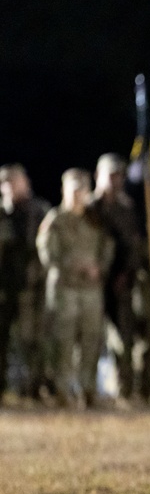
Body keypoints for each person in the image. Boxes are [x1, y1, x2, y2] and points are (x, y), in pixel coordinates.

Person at [36, 169, 115, 408]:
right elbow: (48, 255)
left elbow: (108, 248)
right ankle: (62, 390)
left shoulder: (96, 220)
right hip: (65, 289)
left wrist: (99, 268)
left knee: (92, 340)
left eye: (83, 190)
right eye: (74, 190)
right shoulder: (55, 220)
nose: (79, 195)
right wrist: (74, 266)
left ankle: (88, 389)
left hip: (91, 290)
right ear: (65, 191)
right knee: (64, 340)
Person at [92, 153, 143, 403]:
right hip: (91, 283)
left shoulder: (127, 210)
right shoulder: (89, 208)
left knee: (123, 340)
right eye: (110, 175)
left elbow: (134, 247)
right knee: (88, 338)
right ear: (98, 176)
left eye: (119, 176)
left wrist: (128, 273)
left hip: (120, 283)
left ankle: (125, 390)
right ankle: (87, 391)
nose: (115, 181)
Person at [0, 164, 51, 403]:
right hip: (4, 288)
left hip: (30, 287)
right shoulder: (2, 214)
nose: (11, 187)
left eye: (16, 181)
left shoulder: (39, 211)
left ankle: (31, 387)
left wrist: (37, 277)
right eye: (6, 182)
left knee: (31, 339)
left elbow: (46, 249)